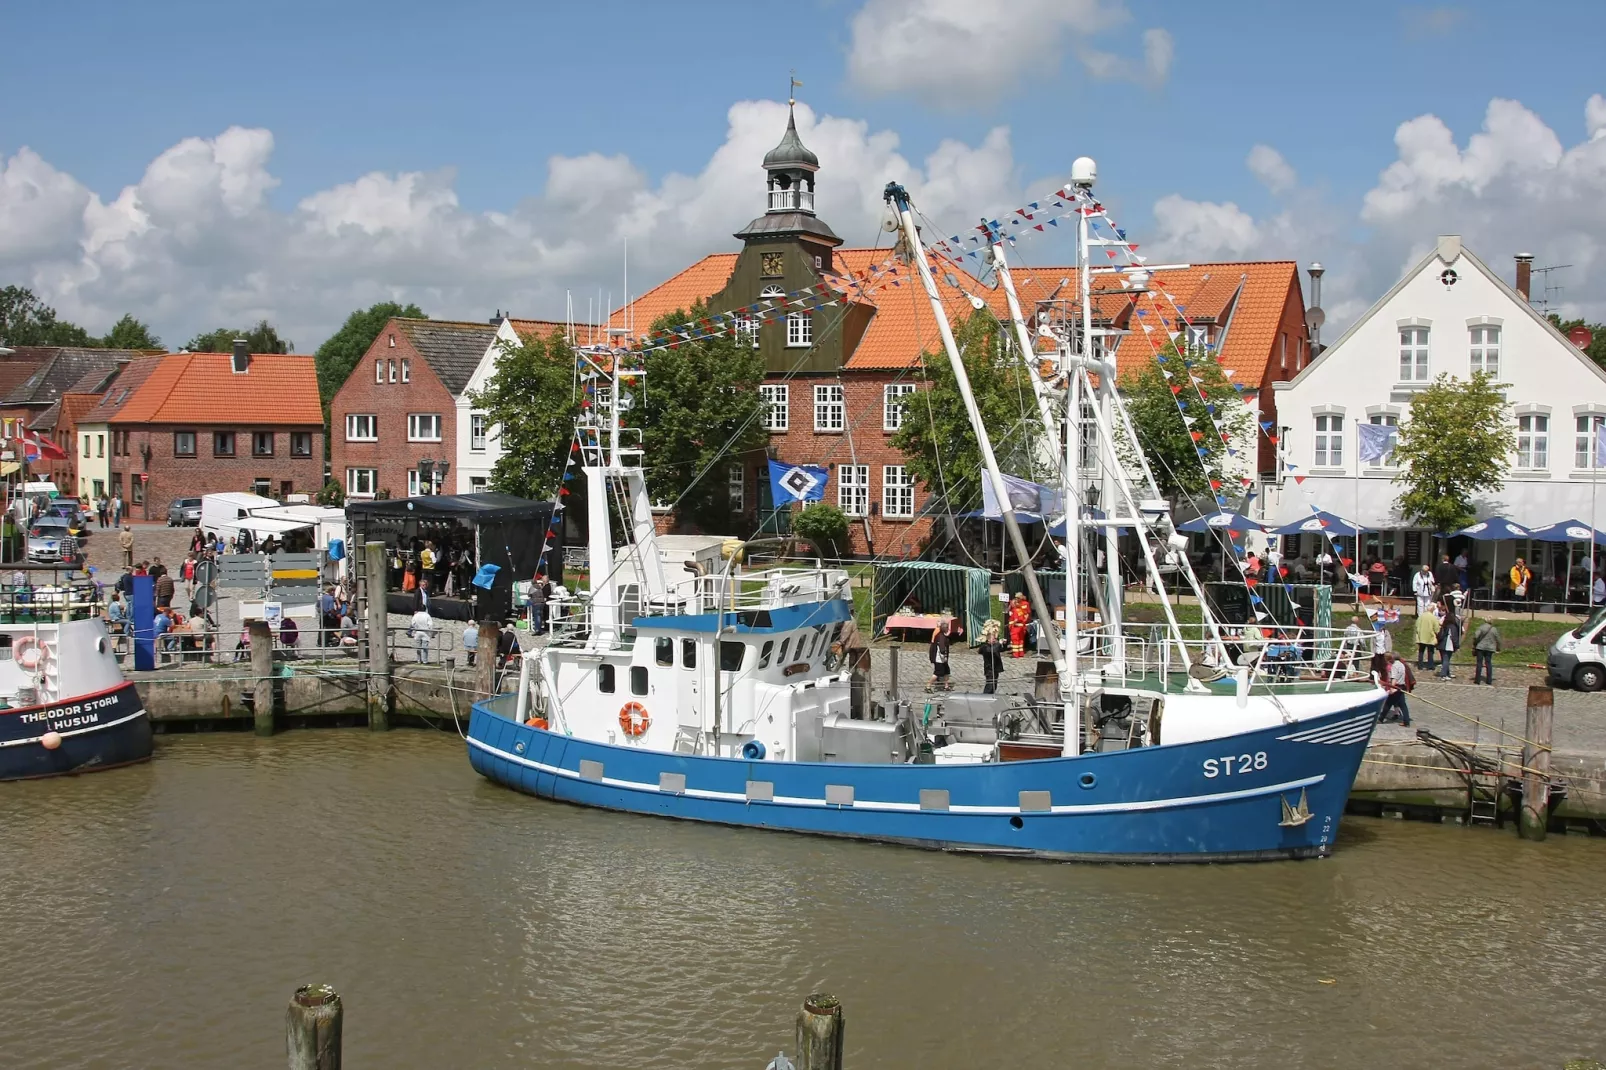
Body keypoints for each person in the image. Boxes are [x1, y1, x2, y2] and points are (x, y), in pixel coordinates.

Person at [1379, 652, 1413, 726]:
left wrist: (1392, 688)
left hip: (1396, 687)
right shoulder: (1402, 664)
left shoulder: (1394, 666)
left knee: (1388, 704)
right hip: (1401, 686)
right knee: (1403, 705)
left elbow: (1394, 678)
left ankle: (1380, 719)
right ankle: (1406, 721)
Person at [976, 619, 1006, 694]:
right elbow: (992, 650)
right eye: (993, 638)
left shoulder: (994, 645)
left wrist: (1004, 644)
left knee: (994, 684)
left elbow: (1001, 649)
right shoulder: (985, 647)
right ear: (988, 640)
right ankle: (985, 697)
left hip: (995, 668)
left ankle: (992, 695)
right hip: (989, 669)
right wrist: (998, 643)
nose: (995, 639)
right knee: (990, 684)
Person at [1436, 596, 1461, 679]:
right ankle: (1444, 674)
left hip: (1442, 644)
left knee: (1445, 660)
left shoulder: (1445, 625)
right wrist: (1457, 645)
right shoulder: (1452, 626)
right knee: (1446, 660)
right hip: (1447, 645)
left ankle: (1447, 673)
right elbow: (1454, 637)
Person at [1472, 617, 1501, 686]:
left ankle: (1477, 680)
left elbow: (1476, 636)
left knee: (1479, 663)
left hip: (1480, 647)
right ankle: (1489, 680)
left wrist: (1475, 643)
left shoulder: (1481, 627)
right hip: (1490, 648)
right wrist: (1498, 647)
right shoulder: (1494, 629)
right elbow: (1498, 639)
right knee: (1488, 663)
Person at [926, 620, 953, 692]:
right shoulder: (941, 637)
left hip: (942, 659)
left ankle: (946, 686)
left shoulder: (942, 635)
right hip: (939, 659)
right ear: (945, 629)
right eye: (947, 628)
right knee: (937, 673)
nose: (948, 629)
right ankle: (928, 686)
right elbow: (941, 649)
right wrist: (944, 656)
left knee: (947, 671)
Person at [1415, 602, 1441, 670]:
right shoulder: (1433, 618)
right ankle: (1430, 665)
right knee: (1430, 651)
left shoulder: (1421, 616)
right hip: (1430, 636)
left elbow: (1417, 625)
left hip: (1421, 636)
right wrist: (1438, 633)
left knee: (1421, 651)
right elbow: (1436, 628)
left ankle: (1420, 665)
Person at [1006, 593, 1032, 658]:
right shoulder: (1020, 609)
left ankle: (1015, 654)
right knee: (1020, 640)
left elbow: (1016, 619)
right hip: (1021, 626)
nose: (1016, 599)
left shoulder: (1016, 609)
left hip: (1016, 627)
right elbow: (1026, 614)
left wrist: (1012, 624)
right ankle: (1020, 653)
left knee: (1015, 640)